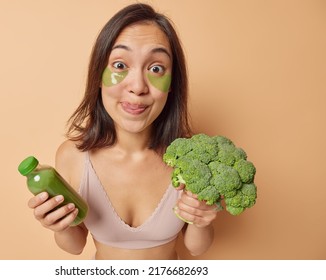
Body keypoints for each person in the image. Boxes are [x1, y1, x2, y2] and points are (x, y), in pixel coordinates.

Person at [27, 3, 218, 260]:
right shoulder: (73, 156)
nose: (138, 86)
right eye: (119, 65)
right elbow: (74, 245)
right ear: (98, 75)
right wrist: (57, 224)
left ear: (172, 84)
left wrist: (202, 220)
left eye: (156, 68)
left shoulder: (191, 158)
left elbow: (196, 247)